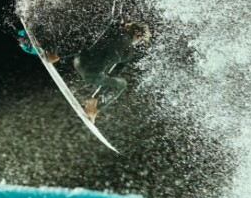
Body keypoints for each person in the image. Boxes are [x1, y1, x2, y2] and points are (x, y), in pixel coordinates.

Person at [16, 19, 151, 122]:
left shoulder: (113, 28)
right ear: (138, 37)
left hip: (78, 60)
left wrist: (61, 53)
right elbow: (112, 75)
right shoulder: (129, 52)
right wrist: (96, 96)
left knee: (88, 36)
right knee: (121, 83)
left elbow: (89, 41)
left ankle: (54, 54)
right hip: (91, 74)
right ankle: (93, 108)